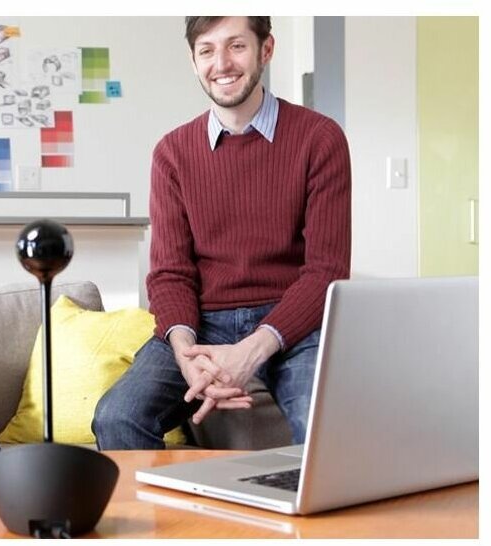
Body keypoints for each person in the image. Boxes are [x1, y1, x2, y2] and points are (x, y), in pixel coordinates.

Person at [92, 16, 351, 448]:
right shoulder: (172, 153)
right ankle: (172, 499)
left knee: (322, 427)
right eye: (207, 50)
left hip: (294, 320)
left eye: (237, 46)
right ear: (193, 61)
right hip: (203, 322)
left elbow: (326, 270)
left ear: (266, 49)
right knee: (117, 417)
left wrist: (250, 351)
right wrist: (185, 353)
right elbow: (170, 274)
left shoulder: (320, 138)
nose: (222, 64)